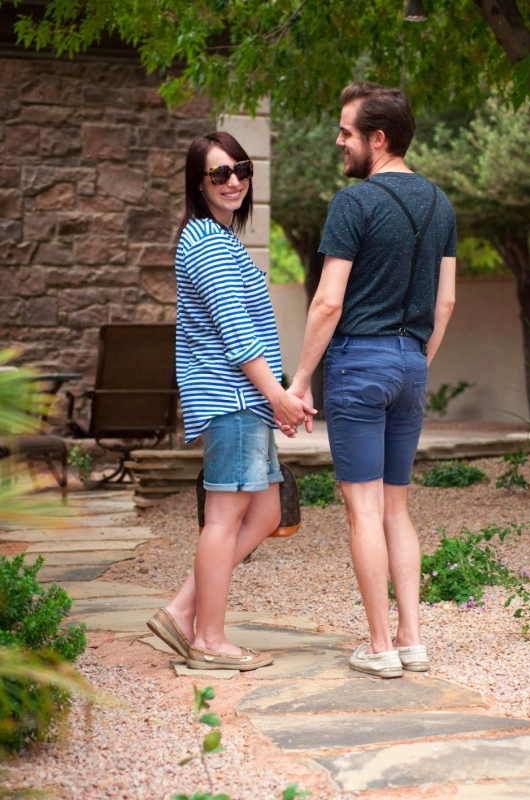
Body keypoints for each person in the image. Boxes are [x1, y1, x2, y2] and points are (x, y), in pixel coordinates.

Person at [287, 82, 457, 678]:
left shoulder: (353, 203)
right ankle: (413, 639)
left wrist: (301, 379)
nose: (339, 142)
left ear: (376, 139)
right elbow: (446, 303)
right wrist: (417, 361)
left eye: (346, 132)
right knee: (395, 509)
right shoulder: (441, 204)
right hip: (412, 362)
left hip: (360, 364)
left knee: (361, 510)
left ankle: (381, 647)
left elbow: (327, 304)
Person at [147, 131, 315, 672]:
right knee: (223, 520)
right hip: (232, 397)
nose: (235, 181)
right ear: (199, 183)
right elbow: (238, 334)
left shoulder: (218, 241)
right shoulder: (207, 242)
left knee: (264, 512)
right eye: (220, 174)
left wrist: (276, 401)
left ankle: (180, 610)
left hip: (245, 398)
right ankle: (208, 640)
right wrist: (280, 399)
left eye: (241, 169)